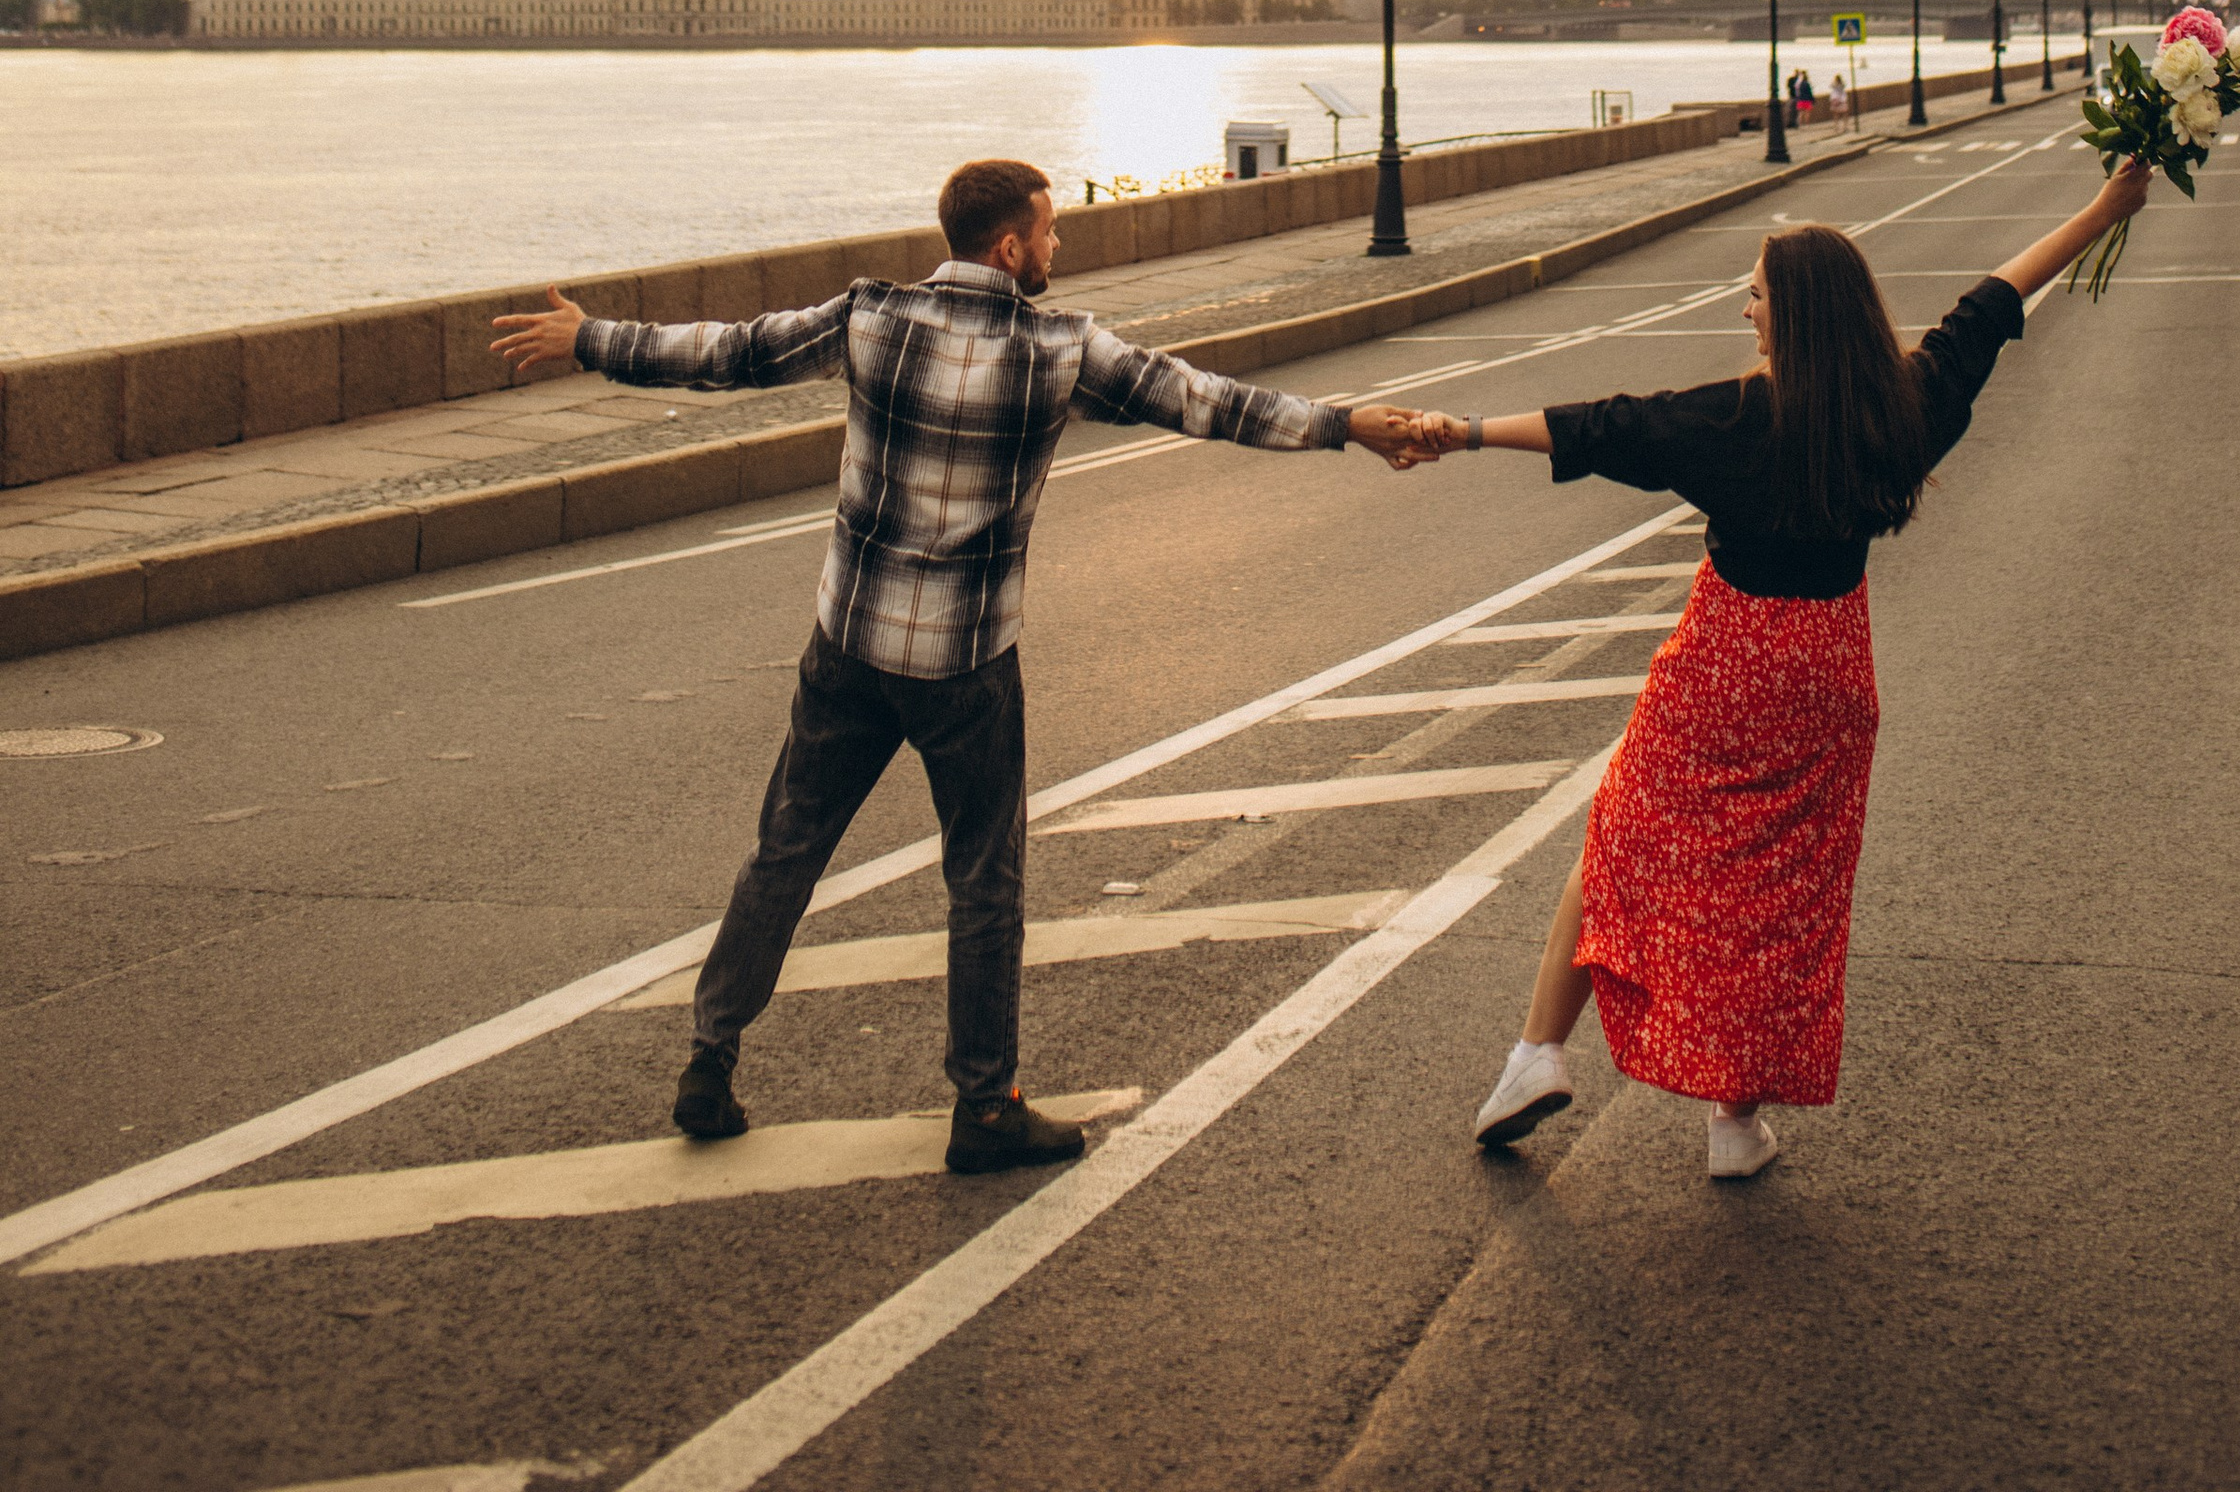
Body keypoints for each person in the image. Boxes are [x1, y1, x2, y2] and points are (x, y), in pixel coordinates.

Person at [492, 158, 1437, 1175]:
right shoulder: (1061, 348)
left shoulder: (871, 317)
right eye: (1049, 232)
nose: (1056, 248)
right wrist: (1341, 425)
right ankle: (983, 1109)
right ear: (1008, 248)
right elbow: (1207, 403)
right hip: (965, 664)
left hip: (848, 647)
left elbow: (727, 352)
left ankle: (710, 1061)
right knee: (983, 880)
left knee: (785, 853)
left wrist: (590, 338)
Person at [1393, 158, 2150, 1179]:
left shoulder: (1738, 417)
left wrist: (1462, 433)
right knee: (1784, 899)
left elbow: (1604, 426)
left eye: (1752, 294)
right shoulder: (1903, 404)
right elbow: (1994, 302)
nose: (1743, 308)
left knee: (1619, 837)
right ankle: (1734, 1125)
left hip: (1727, 661)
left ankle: (1536, 1056)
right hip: (1831, 670)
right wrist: (2104, 209)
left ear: (1787, 315)